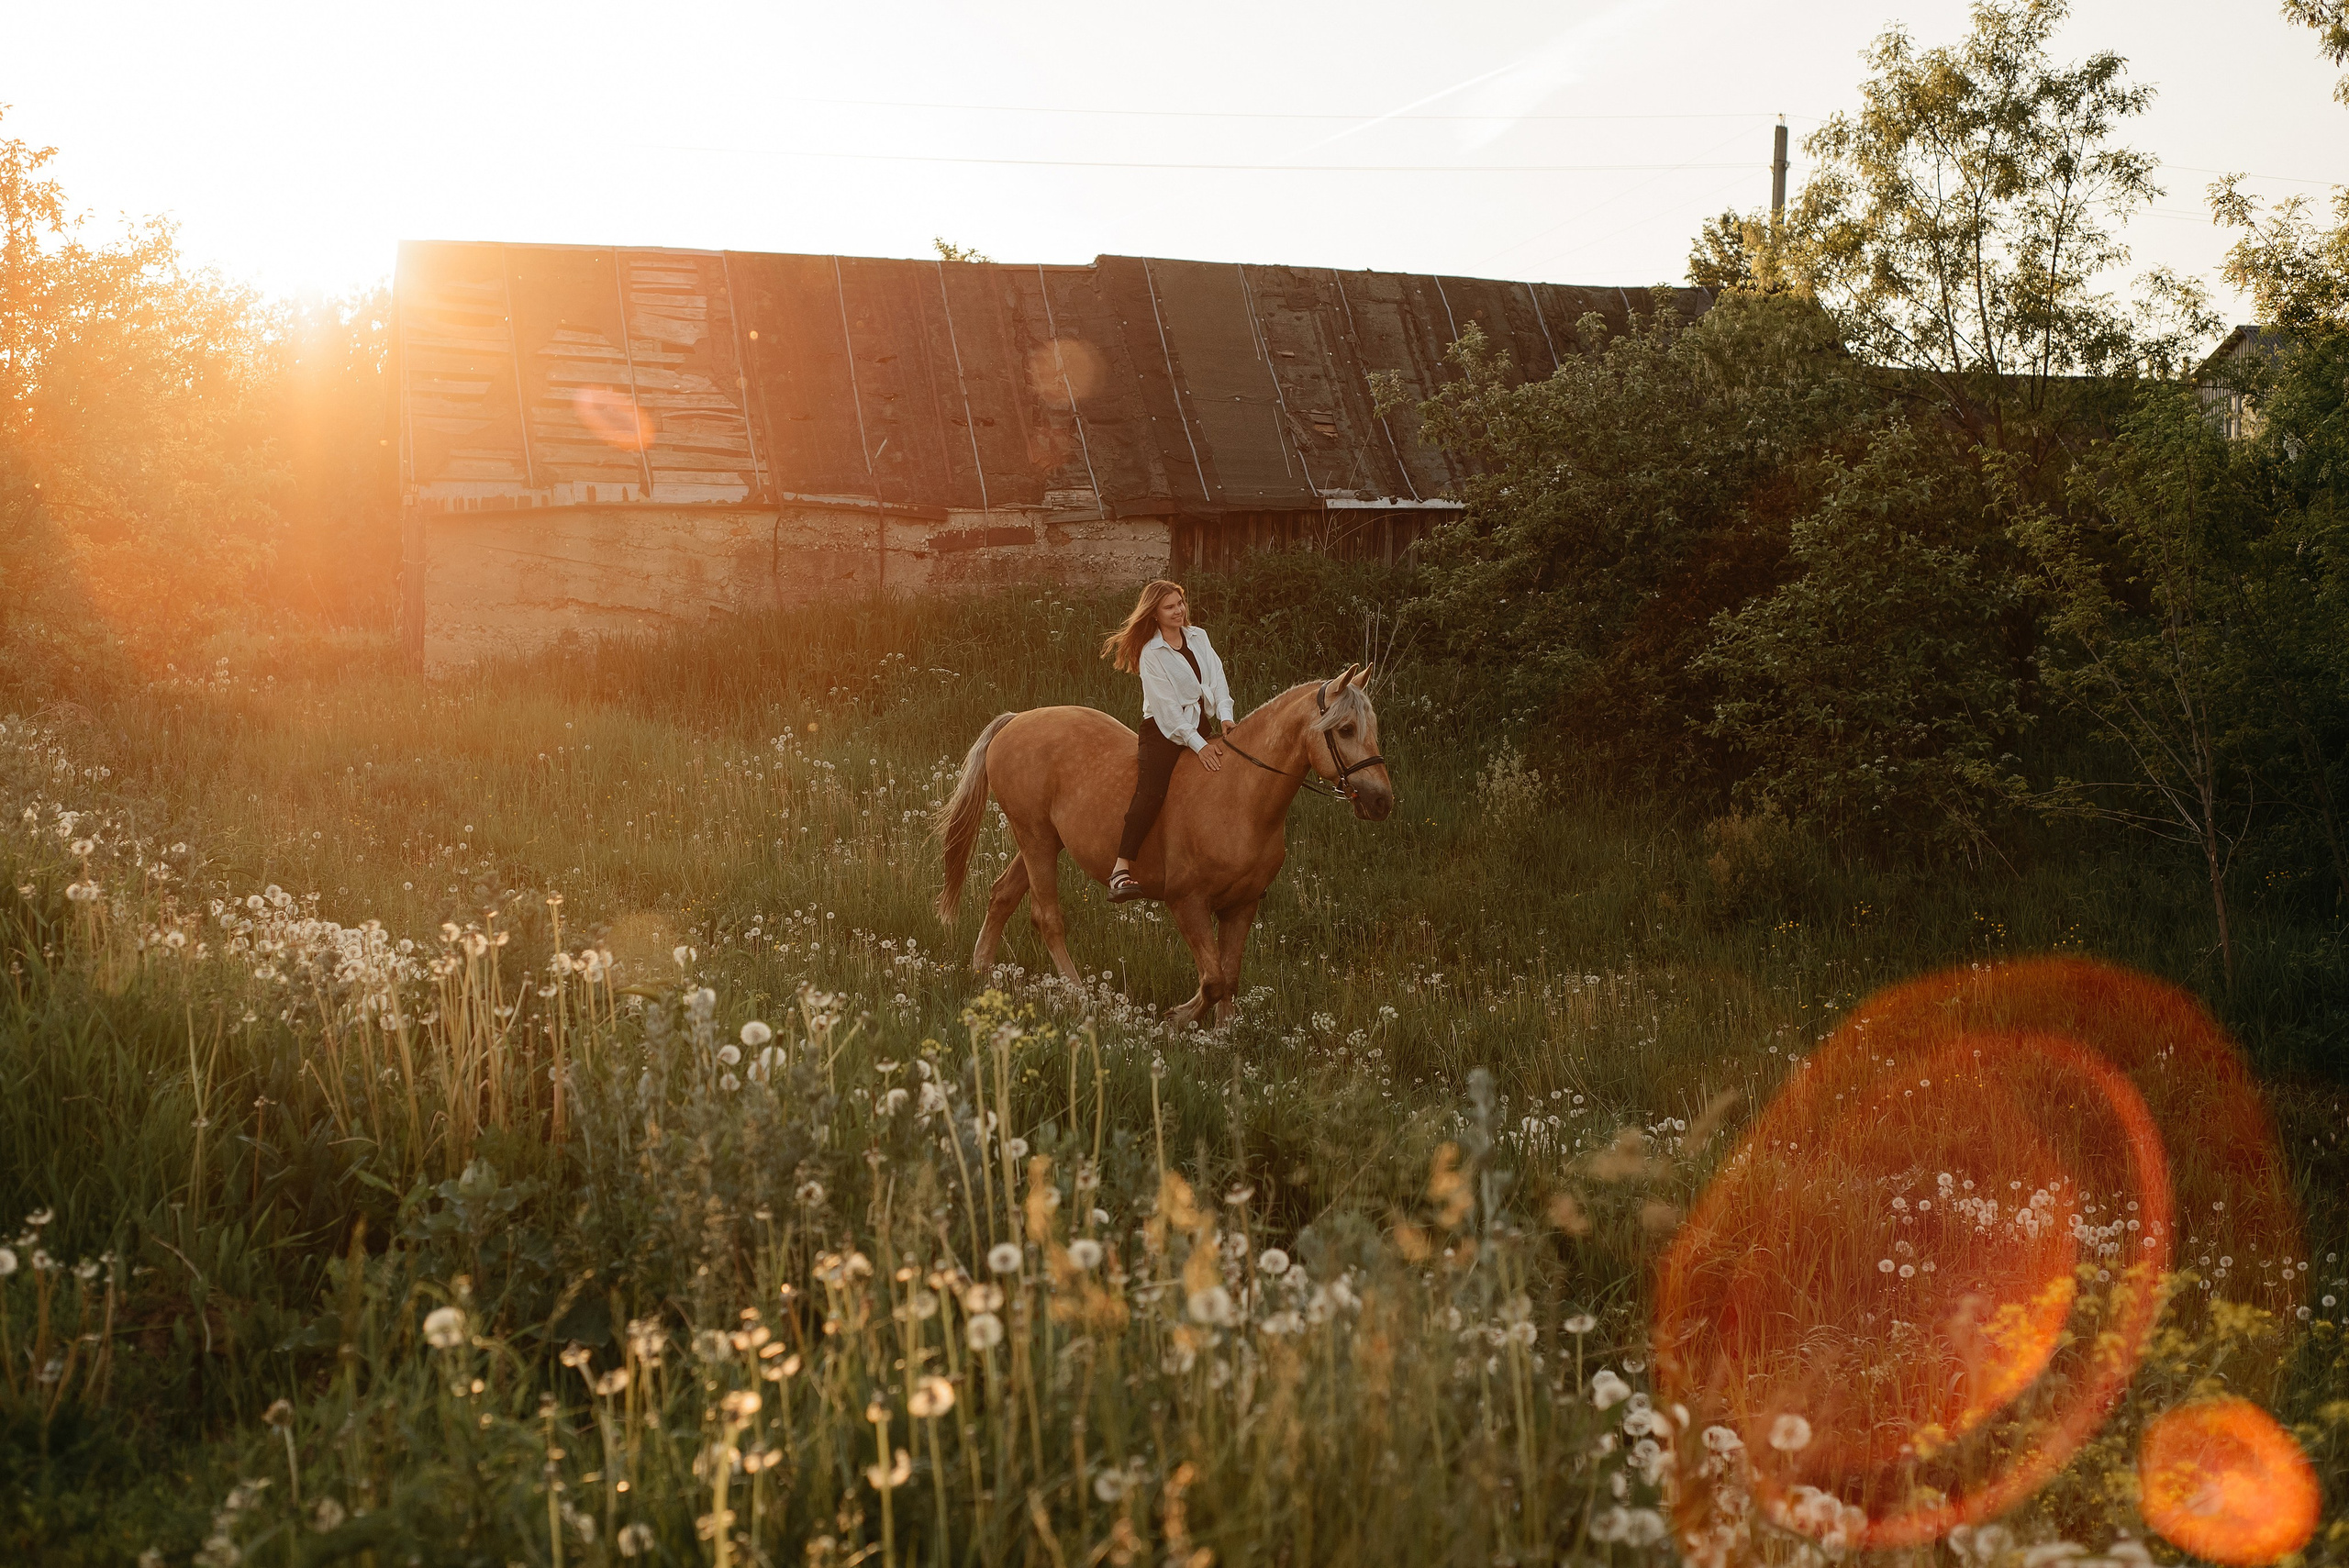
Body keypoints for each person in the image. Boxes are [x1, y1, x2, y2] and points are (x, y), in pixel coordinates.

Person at [1099, 579, 1232, 903]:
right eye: (1169, 607)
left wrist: (1226, 715)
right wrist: (1199, 746)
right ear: (1155, 614)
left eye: (1180, 603)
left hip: (1200, 724)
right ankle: (1120, 868)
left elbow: (1217, 678)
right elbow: (1169, 713)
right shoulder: (1151, 653)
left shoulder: (1198, 637)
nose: (1178, 611)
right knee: (1152, 792)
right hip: (1162, 731)